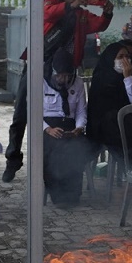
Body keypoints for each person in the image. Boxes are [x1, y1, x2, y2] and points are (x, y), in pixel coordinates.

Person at [2, 0, 114, 183]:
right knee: (21, 115)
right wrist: (70, 6)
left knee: (68, 113)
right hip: (38, 66)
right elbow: (47, 15)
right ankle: (13, 159)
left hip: (65, 72)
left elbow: (99, 25)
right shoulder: (52, 4)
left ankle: (62, 163)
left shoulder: (82, 15)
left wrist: (107, 13)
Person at [41, 49, 91, 207]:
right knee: (56, 151)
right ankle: (57, 193)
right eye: (60, 75)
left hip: (69, 125)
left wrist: (79, 127)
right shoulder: (41, 81)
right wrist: (48, 129)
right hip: (48, 126)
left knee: (77, 148)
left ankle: (73, 193)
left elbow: (81, 110)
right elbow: (33, 112)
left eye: (67, 75)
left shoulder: (77, 82)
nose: (63, 79)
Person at [86, 40, 132, 153]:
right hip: (108, 127)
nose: (125, 60)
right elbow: (100, 110)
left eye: (127, 56)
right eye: (120, 57)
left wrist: (128, 79)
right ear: (111, 59)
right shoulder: (101, 78)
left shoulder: (131, 75)